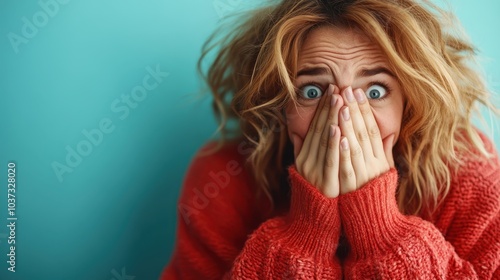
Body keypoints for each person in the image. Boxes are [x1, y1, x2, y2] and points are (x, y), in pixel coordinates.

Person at [161, 0, 500, 279]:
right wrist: (305, 232)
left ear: (409, 102)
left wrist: (380, 229)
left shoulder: (469, 173)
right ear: (279, 103)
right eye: (312, 90)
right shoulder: (222, 180)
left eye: (375, 90)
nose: (343, 116)